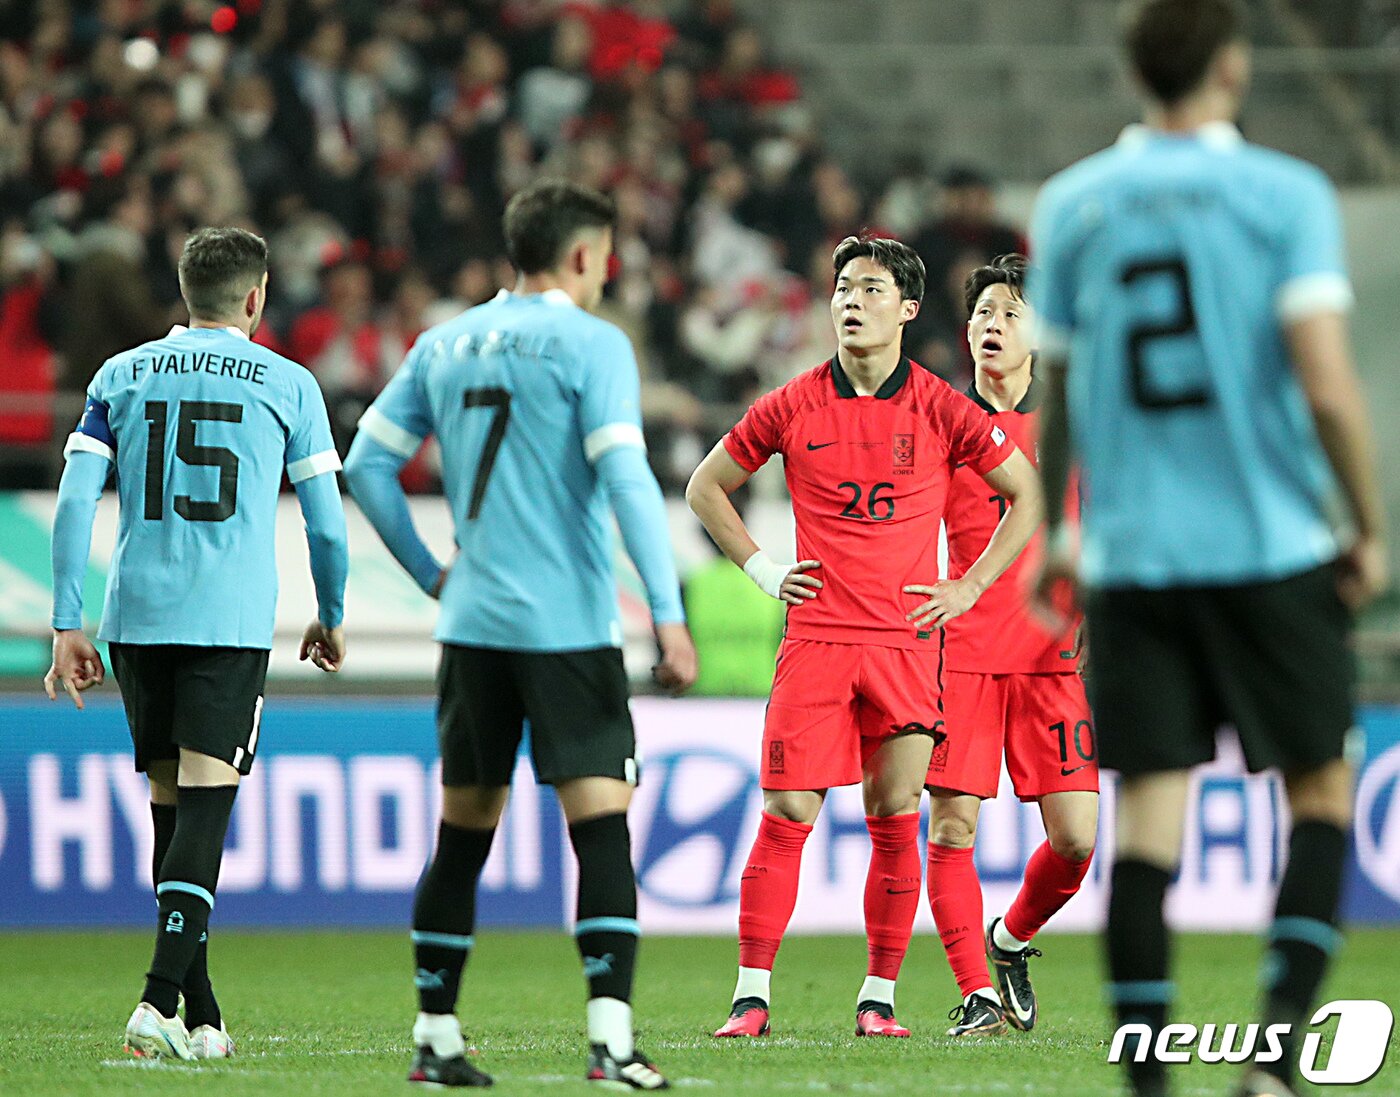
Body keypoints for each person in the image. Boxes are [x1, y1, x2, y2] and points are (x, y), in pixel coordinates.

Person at [1029, 3, 1388, 1096]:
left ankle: (1148, 1082)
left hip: (1132, 560)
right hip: (1269, 547)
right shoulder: (1284, 195)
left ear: (1137, 72)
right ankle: (1273, 1057)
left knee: (1147, 821)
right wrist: (1365, 524)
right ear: (1232, 67)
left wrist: (1060, 530)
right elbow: (1325, 384)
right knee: (1320, 793)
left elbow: (1060, 392)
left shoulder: (1071, 203)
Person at [344, 179, 697, 1091]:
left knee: (462, 832)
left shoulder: (443, 340)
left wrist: (433, 574)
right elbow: (627, 481)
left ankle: (435, 1036)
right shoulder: (594, 343)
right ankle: (612, 1041)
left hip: (472, 628)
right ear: (581, 254)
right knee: (601, 827)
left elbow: (367, 463)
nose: (607, 270)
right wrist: (667, 611)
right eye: (605, 254)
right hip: (566, 625)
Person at [687, 233, 1044, 1040]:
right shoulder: (792, 402)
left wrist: (970, 585)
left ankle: (878, 998)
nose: (852, 301)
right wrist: (762, 569)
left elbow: (1026, 492)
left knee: (896, 812)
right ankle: (750, 996)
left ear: (908, 308)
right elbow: (706, 486)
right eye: (844, 288)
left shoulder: (942, 407)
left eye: (872, 289)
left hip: (906, 643)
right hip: (816, 639)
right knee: (787, 809)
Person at [44, 226, 349, 1061]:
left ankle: (202, 1013)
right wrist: (331, 609)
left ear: (186, 293)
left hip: (136, 617)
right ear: (255, 297)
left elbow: (74, 501)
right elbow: (326, 523)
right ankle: (155, 1000)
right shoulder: (289, 383)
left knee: (172, 810)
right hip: (227, 619)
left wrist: (68, 619)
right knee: (205, 813)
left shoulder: (121, 373)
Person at [885, 254, 1100, 1038]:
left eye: (1011, 312)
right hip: (962, 651)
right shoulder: (940, 420)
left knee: (1075, 841)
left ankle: (1008, 939)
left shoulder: (1075, 419)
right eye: (982, 313)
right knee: (952, 827)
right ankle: (977, 993)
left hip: (1053, 652)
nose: (993, 325)